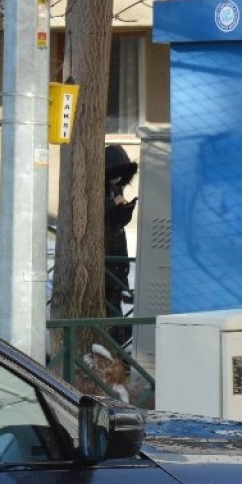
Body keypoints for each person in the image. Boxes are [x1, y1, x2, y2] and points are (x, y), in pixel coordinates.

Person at [104, 145, 138, 343]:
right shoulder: (100, 190)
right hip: (105, 263)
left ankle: (115, 352)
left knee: (115, 313)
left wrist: (126, 209)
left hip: (117, 265)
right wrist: (112, 205)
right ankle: (111, 351)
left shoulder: (115, 188)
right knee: (110, 315)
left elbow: (117, 221)